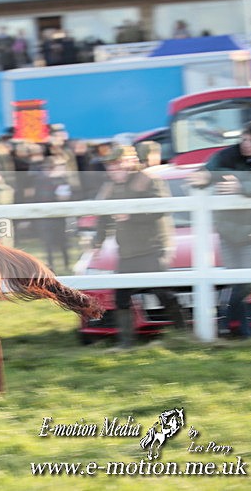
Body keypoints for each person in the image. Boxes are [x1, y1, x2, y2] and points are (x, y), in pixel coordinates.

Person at [92, 145, 184, 349]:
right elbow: (102, 217)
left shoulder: (149, 180)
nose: (112, 170)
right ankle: (127, 344)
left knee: (164, 294)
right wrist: (97, 243)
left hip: (154, 248)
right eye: (110, 166)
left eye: (116, 165)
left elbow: (163, 209)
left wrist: (132, 215)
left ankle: (183, 335)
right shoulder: (109, 188)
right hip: (127, 251)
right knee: (121, 297)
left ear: (129, 161)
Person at [187, 120, 251, 339]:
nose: (248, 144)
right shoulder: (227, 156)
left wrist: (242, 187)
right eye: (244, 139)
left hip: (250, 231)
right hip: (227, 230)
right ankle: (243, 331)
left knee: (246, 284)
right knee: (236, 282)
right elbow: (202, 174)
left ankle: (226, 321)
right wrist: (201, 178)